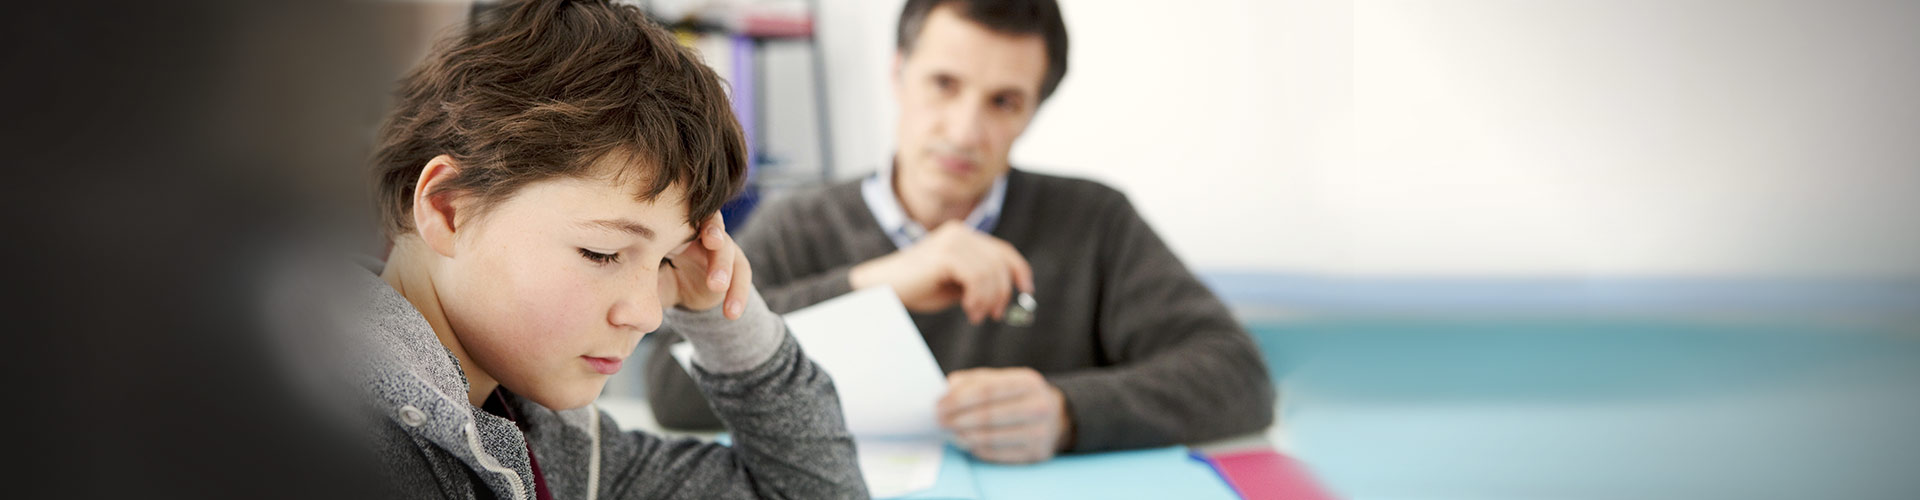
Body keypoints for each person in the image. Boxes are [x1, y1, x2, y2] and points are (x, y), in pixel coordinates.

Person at [644, 0, 1274, 464]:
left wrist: (1067, 411)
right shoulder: (798, 225)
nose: (965, 129)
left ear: (1032, 111)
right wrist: (875, 284)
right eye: (944, 85)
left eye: (1003, 101)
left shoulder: (1094, 222)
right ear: (898, 75)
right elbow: (673, 391)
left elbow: (1237, 376)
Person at [354, 1, 865, 497]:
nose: (647, 316)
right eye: (602, 253)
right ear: (447, 209)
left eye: (666, 259)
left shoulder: (552, 441)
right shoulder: (333, 446)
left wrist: (724, 318)